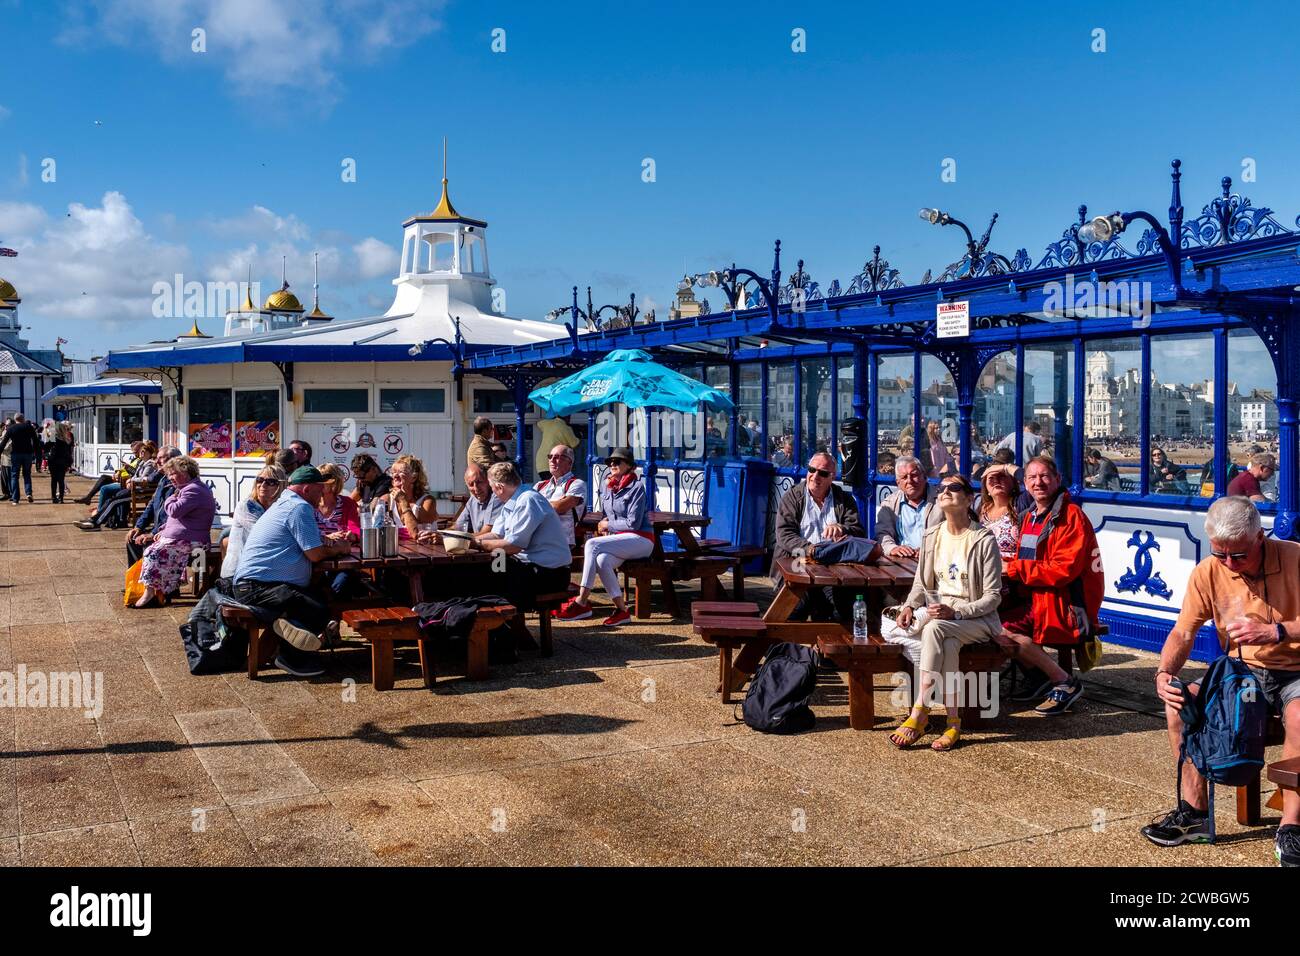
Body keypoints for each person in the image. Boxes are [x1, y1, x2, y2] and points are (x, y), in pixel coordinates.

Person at [1140, 497, 1299, 863]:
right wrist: (1165, 673)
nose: (1229, 564)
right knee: (1181, 702)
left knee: (1299, 717)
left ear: (1260, 536)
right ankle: (1194, 812)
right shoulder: (1208, 571)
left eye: (1239, 556)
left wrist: (1276, 631)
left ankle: (1292, 826)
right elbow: (1183, 632)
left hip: (1296, 670)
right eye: (1220, 554)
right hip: (1242, 672)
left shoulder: (1294, 556)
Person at [887, 475, 1002, 752]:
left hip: (975, 618)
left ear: (969, 498)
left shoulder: (983, 539)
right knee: (947, 645)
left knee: (936, 629)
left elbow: (993, 597)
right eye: (942, 488)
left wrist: (958, 612)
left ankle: (920, 712)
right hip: (942, 617)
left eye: (954, 488)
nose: (946, 491)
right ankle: (953, 723)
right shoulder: (932, 536)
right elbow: (922, 584)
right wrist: (908, 606)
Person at [998, 456, 1104, 715]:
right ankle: (1038, 677)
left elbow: (1062, 570)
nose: (1038, 482)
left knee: (1002, 628)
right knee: (989, 618)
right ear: (1024, 484)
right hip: (1039, 597)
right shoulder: (1030, 517)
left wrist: (1011, 568)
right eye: (1032, 478)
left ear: (1057, 480)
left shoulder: (1070, 517)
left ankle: (1063, 681)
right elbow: (1030, 559)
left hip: (1067, 604)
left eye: (1044, 476)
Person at [232, 466, 352, 678]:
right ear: (306, 489)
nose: (322, 494)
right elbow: (315, 554)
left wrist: (327, 542)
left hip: (255, 583)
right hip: (257, 586)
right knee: (316, 608)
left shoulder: (285, 503)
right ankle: (290, 658)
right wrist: (341, 548)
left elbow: (307, 541)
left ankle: (289, 646)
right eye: (319, 490)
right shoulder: (299, 507)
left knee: (314, 599)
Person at [557, 447, 652, 626]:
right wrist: (606, 523)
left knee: (592, 544)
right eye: (610, 462)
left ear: (630, 466)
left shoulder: (637, 487)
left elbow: (633, 524)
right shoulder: (607, 486)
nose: (612, 464)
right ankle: (622, 611)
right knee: (602, 561)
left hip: (642, 539)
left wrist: (608, 525)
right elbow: (605, 516)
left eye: (618, 462)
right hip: (620, 540)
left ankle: (581, 601)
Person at [771, 450, 867, 622]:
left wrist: (843, 529)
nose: (815, 476)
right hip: (797, 562)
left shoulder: (844, 499)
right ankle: (783, 648)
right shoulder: (792, 497)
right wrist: (810, 549)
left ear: (832, 477)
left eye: (822, 473)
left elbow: (859, 532)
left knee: (848, 608)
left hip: (835, 568)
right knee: (792, 610)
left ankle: (831, 646)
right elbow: (784, 534)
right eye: (811, 470)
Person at [470, 461, 573, 612]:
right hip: (534, 567)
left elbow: (513, 546)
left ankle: (507, 625)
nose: (493, 493)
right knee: (486, 571)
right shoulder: (514, 500)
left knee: (490, 576)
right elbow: (497, 534)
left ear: (499, 488)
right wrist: (468, 540)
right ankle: (499, 625)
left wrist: (477, 544)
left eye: (492, 489)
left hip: (551, 574)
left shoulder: (528, 500)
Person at [132, 456, 218, 608]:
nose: (169, 477)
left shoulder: (194, 490)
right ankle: (163, 590)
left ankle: (151, 593)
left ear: (184, 473)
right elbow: (179, 519)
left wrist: (170, 498)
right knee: (150, 546)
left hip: (195, 541)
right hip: (187, 537)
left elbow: (175, 511)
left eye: (172, 473)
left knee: (154, 552)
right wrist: (163, 531)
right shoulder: (188, 488)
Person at [219, 465, 286, 580]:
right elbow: (263, 536)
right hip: (238, 573)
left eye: (270, 482)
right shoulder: (248, 506)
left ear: (281, 485)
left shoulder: (281, 507)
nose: (263, 485)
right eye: (260, 480)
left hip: (262, 570)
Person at [125, 447, 183, 564]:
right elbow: (151, 506)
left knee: (144, 544)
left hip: (173, 535)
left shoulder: (180, 484)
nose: (156, 462)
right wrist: (138, 527)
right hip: (159, 531)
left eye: (160, 458)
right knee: (132, 539)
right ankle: (139, 579)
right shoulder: (163, 480)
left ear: (173, 460)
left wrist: (152, 534)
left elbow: (173, 518)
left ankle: (148, 577)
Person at [876, 456, 940, 558]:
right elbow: (883, 533)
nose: (910, 481)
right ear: (898, 483)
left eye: (914, 475)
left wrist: (930, 549)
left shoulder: (941, 500)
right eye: (904, 477)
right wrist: (892, 548)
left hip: (935, 557)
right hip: (904, 560)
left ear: (924, 477)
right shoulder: (889, 504)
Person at [534, 444, 587, 546]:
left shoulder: (577, 484)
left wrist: (539, 505)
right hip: (536, 540)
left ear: (570, 463)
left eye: (558, 457)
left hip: (561, 542)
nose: (552, 460)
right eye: (550, 456)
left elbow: (559, 507)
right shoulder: (539, 485)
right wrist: (554, 504)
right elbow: (527, 508)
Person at [373, 454, 439, 535]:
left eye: (401, 472)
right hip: (397, 546)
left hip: (426, 547)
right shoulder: (386, 499)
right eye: (393, 472)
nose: (395, 475)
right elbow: (375, 528)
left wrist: (403, 502)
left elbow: (416, 534)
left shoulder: (427, 501)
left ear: (414, 477)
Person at [75, 439, 145, 505]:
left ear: (140, 450)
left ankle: (97, 508)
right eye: (133, 452)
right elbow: (125, 469)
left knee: (104, 488)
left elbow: (136, 474)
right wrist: (117, 472)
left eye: (135, 452)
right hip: (121, 478)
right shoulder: (135, 459)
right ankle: (89, 498)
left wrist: (127, 468)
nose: (134, 454)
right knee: (103, 477)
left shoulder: (142, 461)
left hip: (125, 481)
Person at [977, 463, 1022, 559]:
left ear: (1013, 483)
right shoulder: (981, 509)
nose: (996, 481)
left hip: (1011, 570)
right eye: (991, 478)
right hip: (984, 570)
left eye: (1002, 476)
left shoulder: (1021, 504)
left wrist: (1006, 467)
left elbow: (1032, 480)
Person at [450, 463, 503, 536]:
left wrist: (448, 537)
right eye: (471, 484)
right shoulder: (473, 500)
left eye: (479, 482)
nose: (476, 488)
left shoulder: (496, 496)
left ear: (488, 481)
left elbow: (486, 533)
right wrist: (441, 534)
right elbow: (458, 527)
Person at [0, 413, 41, 504]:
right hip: (27, 454)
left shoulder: (11, 428)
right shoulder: (29, 427)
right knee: (27, 474)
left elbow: (4, 442)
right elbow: (35, 441)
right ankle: (28, 493)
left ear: (15, 420)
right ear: (23, 419)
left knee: (14, 476)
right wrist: (37, 453)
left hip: (15, 454)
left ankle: (15, 498)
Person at [535, 414, 579, 479]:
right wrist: (579, 435)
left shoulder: (547, 423)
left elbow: (538, 423)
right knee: (557, 486)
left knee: (547, 486)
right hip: (554, 462)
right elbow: (575, 444)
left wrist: (551, 418)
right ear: (567, 417)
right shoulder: (565, 428)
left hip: (541, 462)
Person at [45, 422, 74, 503]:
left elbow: (45, 447)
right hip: (63, 461)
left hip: (53, 461)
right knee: (61, 480)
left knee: (53, 480)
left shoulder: (52, 439)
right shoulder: (66, 440)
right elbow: (68, 452)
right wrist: (69, 463)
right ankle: (61, 498)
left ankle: (54, 498)